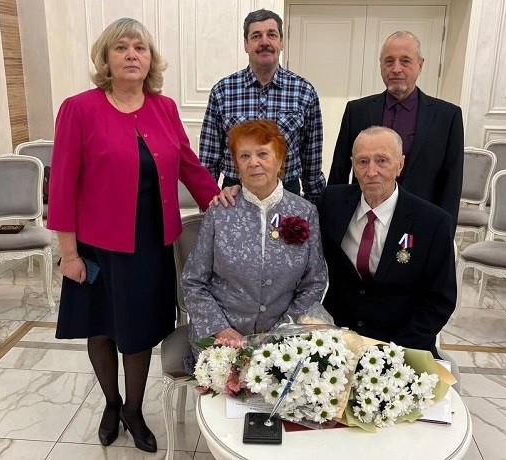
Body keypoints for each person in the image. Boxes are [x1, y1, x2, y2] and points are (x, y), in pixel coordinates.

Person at [47, 18, 220, 451]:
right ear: (106, 58)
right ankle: (111, 402)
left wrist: (220, 202)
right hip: (97, 245)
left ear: (150, 59)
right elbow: (62, 184)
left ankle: (134, 409)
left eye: (139, 48)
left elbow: (188, 164)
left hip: (150, 243)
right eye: (121, 47)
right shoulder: (79, 108)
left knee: (139, 331)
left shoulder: (164, 108)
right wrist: (69, 253)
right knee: (102, 328)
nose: (131, 55)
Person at [183, 120, 327, 351]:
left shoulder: (305, 212)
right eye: (244, 156)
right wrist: (221, 329)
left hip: (284, 341)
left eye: (263, 154)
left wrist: (280, 333)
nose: (253, 163)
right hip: (222, 340)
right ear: (236, 164)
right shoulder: (219, 212)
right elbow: (193, 281)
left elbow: (315, 282)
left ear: (280, 160)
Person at [318, 126, 456, 358]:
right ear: (353, 165)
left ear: (400, 164)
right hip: (338, 340)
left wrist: (392, 352)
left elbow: (440, 301)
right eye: (363, 162)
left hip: (401, 343)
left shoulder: (432, 222)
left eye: (382, 161)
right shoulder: (331, 202)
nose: (372, 171)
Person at [328, 31, 463, 227]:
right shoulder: (357, 111)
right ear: (380, 65)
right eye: (389, 61)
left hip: (421, 222)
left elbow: (451, 184)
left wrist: (445, 232)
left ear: (420, 65)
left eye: (405, 61)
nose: (396, 69)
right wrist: (334, 221)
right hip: (365, 220)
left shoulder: (447, 116)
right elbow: (339, 171)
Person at [199, 9, 326, 203]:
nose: (264, 42)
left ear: (281, 42)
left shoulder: (304, 91)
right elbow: (208, 161)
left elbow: (312, 163)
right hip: (235, 195)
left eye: (271, 35)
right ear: (246, 44)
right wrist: (209, 208)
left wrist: (315, 209)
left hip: (287, 194)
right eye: (256, 36)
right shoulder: (223, 91)